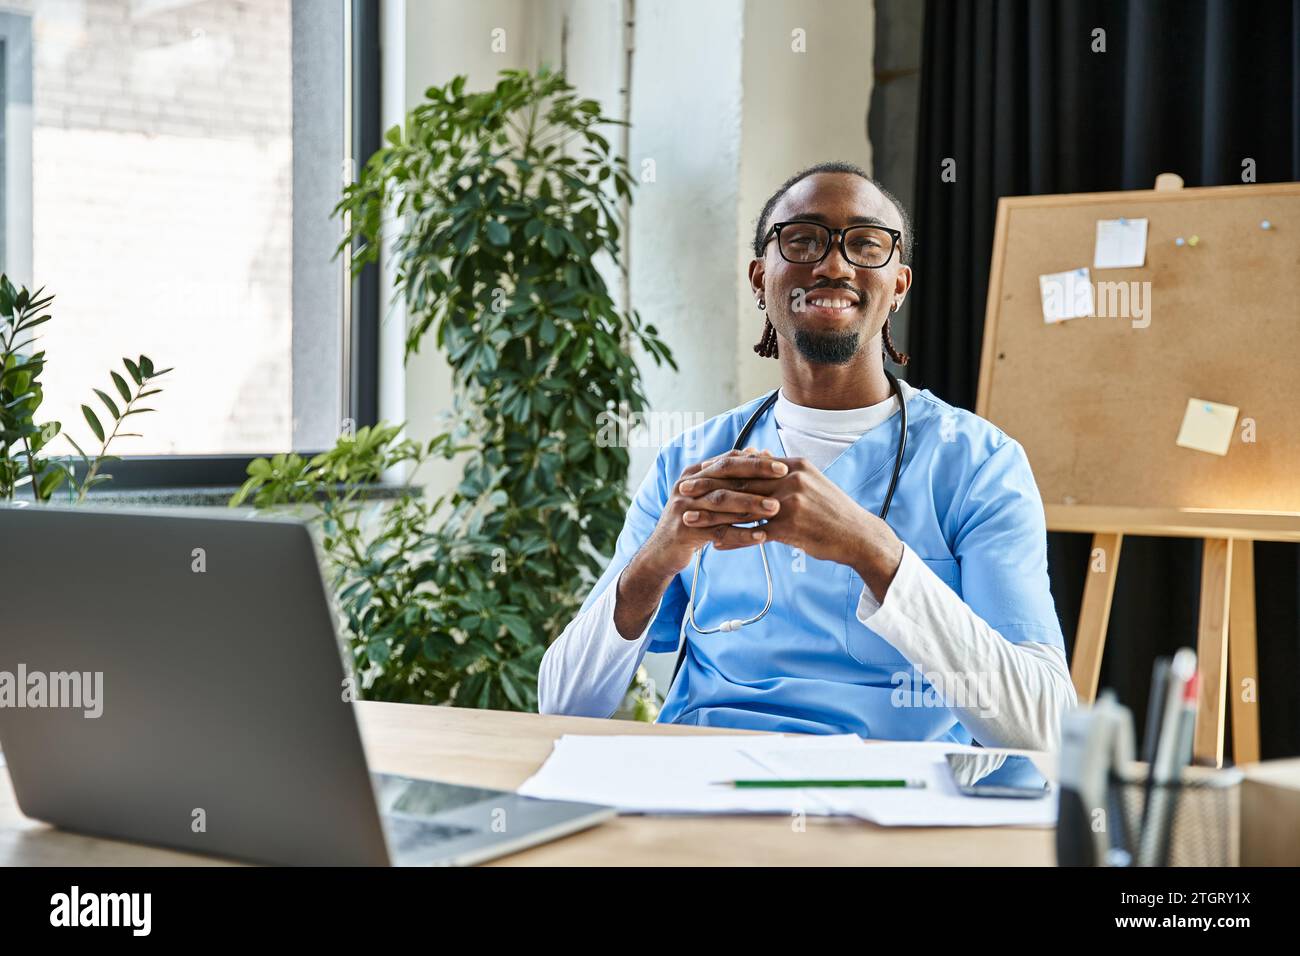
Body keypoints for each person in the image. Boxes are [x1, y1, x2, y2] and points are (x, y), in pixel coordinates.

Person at [538, 161, 1076, 750]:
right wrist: (655, 560)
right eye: (801, 240)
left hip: (886, 804)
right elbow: (563, 703)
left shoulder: (978, 465)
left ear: (898, 286)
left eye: (867, 244)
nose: (833, 264)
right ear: (759, 274)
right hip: (703, 790)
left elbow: (1045, 724)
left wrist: (874, 551)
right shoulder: (690, 461)